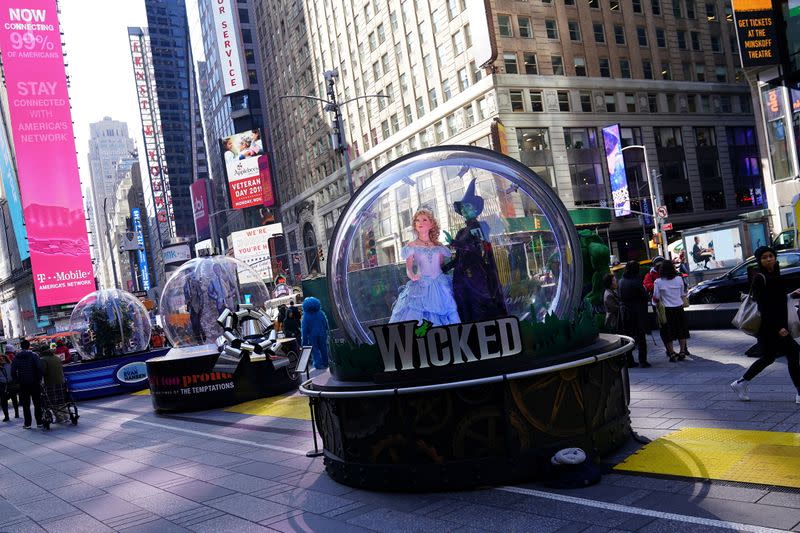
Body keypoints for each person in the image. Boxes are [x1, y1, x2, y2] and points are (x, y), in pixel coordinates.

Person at [731, 246, 800, 403]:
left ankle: (741, 383)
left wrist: (791, 294)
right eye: (764, 257)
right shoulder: (760, 278)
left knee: (769, 357)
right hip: (771, 327)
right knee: (793, 353)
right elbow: (764, 307)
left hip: (778, 325)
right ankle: (799, 393)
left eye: (771, 256)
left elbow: (775, 299)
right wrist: (779, 328)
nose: (769, 259)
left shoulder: (775, 274)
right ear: (759, 261)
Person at [444, 179, 507, 322]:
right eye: (463, 208)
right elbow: (460, 257)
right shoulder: (461, 232)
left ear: (476, 209)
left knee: (479, 309)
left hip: (476, 277)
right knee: (465, 309)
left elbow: (477, 249)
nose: (465, 210)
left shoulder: (481, 226)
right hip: (461, 278)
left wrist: (454, 243)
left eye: (468, 206)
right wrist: (445, 267)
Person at [390, 209, 460, 326]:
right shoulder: (411, 245)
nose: (419, 222)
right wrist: (412, 275)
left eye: (424, 219)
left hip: (440, 284)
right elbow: (409, 268)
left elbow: (442, 265)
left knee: (447, 311)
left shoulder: (439, 245)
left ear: (432, 224)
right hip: (422, 283)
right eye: (417, 220)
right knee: (419, 313)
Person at [653, 261, 690, 362]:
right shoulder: (679, 279)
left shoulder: (658, 282)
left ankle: (672, 353)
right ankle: (682, 351)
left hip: (667, 310)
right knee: (681, 330)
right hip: (679, 308)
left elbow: (656, 297)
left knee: (667, 332)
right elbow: (682, 293)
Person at [619, 261, 651, 368]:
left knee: (628, 337)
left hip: (625, 313)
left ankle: (629, 360)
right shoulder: (636, 281)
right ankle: (643, 360)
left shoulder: (621, 281)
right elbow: (644, 296)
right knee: (641, 337)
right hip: (637, 313)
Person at [10, 339, 43, 429]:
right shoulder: (34, 355)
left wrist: (17, 381)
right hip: (34, 382)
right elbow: (39, 368)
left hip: (23, 383)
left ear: (21, 347)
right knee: (37, 403)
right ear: (29, 346)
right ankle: (39, 422)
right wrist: (39, 379)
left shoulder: (17, 357)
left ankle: (28, 423)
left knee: (25, 404)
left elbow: (13, 371)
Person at [39, 346, 67, 423]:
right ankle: (66, 416)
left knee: (53, 401)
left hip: (50, 383)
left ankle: (59, 418)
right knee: (61, 400)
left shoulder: (43, 360)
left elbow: (43, 372)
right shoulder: (57, 358)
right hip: (61, 381)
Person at [301, 297, 330, 370]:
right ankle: (326, 362)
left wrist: (304, 342)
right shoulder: (320, 313)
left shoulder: (306, 316)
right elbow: (326, 323)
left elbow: (304, 330)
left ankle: (318, 364)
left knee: (315, 350)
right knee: (324, 348)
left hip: (312, 336)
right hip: (322, 334)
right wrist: (326, 331)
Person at [0, 353, 19, 421]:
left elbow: (13, 373)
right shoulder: (10, 365)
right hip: (6, 385)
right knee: (7, 400)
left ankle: (12, 415)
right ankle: (11, 415)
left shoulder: (9, 365)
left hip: (7, 384)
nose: (2, 360)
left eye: (2, 358)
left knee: (9, 400)